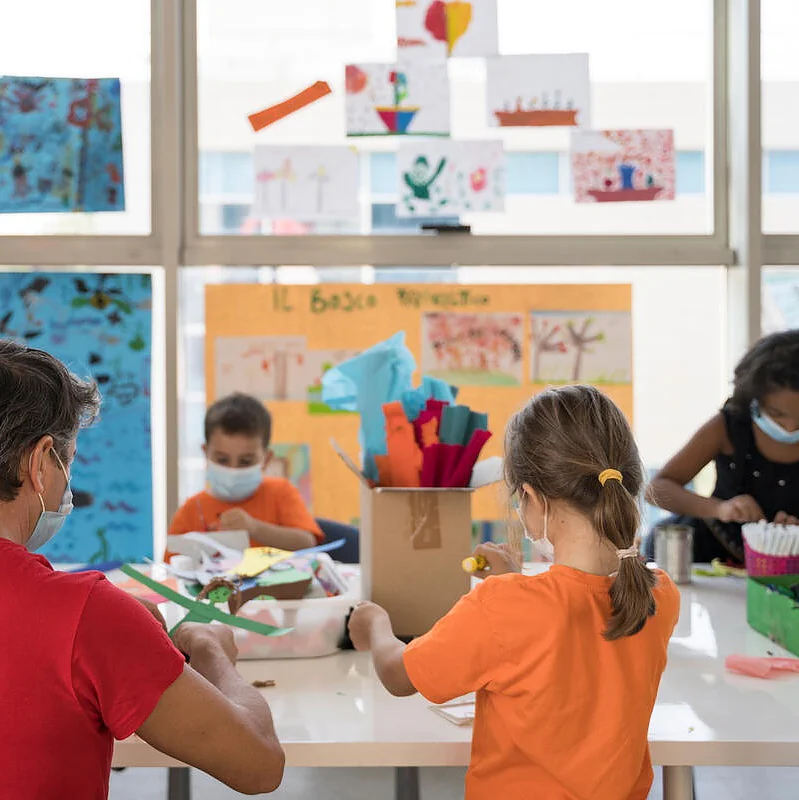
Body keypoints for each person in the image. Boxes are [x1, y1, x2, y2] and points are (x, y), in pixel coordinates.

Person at [348, 385, 680, 800]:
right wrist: (517, 581)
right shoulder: (660, 595)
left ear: (530, 498)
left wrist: (374, 625)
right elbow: (574, 625)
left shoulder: (503, 606)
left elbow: (399, 676)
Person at [0, 340, 284, 798]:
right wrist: (211, 649)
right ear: (39, 464)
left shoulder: (91, 617)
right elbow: (259, 763)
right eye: (68, 462)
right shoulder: (87, 615)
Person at [646, 330, 799, 564]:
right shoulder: (728, 426)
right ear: (754, 398)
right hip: (710, 554)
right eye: (777, 415)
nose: (789, 427)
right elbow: (657, 489)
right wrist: (719, 509)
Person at [168, 393, 324, 557]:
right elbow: (171, 567)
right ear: (206, 453)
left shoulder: (281, 493)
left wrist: (254, 528)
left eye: (245, 461)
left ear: (266, 459)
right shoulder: (191, 511)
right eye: (222, 460)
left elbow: (307, 542)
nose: (233, 470)